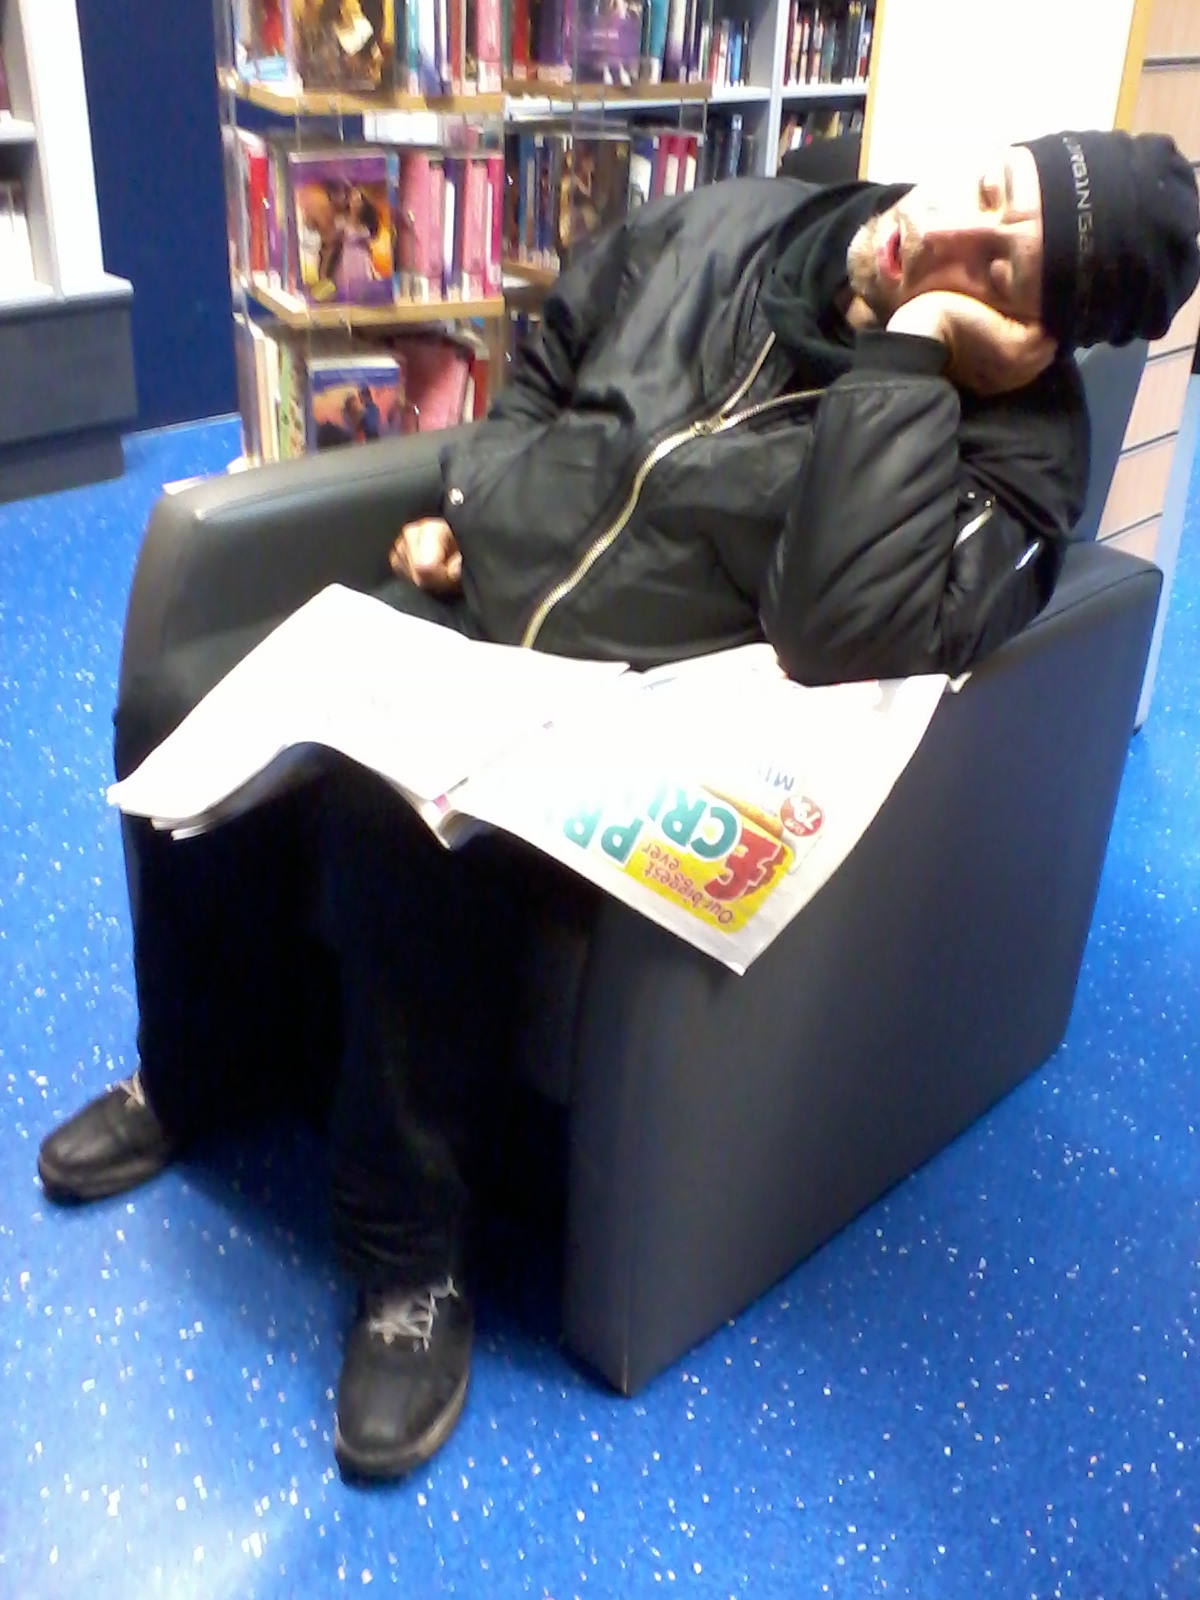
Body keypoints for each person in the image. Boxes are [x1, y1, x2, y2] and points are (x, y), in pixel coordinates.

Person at [38, 130, 1200, 1484]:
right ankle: (196, 1071)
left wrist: (911, 353)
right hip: (478, 606)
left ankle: (410, 1262)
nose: (948, 239)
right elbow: (554, 346)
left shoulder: (1020, 461)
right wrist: (478, 497)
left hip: (638, 715)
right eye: (988, 193)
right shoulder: (735, 224)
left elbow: (842, 626)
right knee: (195, 690)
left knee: (391, 815)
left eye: (998, 273)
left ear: (1037, 339)